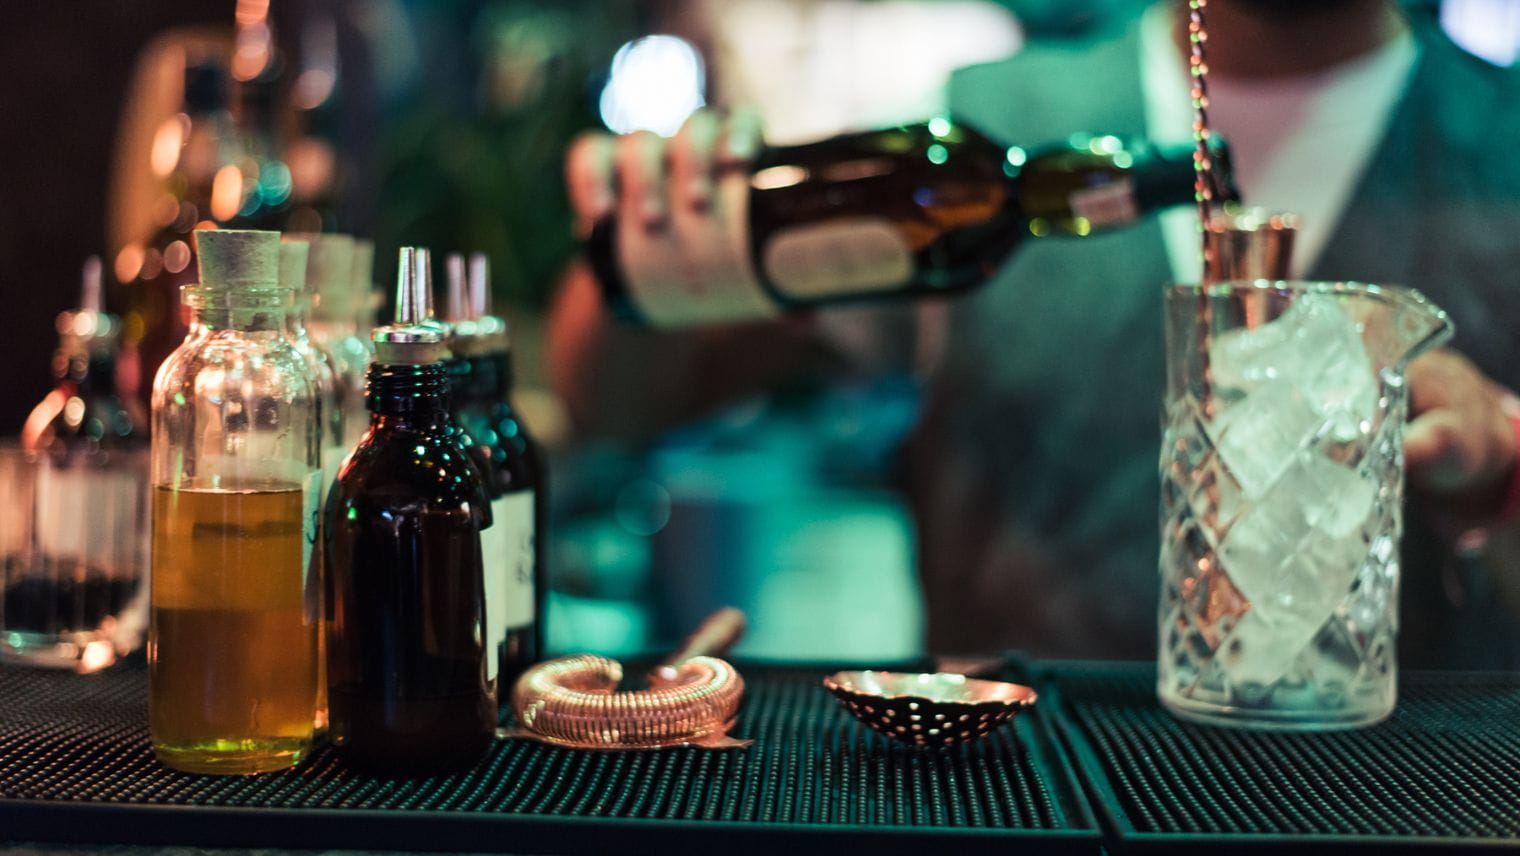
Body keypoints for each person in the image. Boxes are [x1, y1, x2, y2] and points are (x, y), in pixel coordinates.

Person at [549, 0, 1520, 665]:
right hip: (1011, 805)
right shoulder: (989, 128)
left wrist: (1502, 476)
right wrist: (640, 246)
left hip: (1404, 814)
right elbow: (621, 398)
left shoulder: (1502, 140)